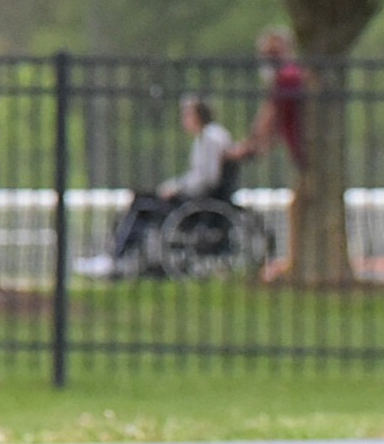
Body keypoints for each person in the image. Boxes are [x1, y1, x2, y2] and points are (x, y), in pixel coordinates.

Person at [78, 96, 233, 278]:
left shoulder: (211, 138)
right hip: (192, 195)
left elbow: (207, 178)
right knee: (141, 199)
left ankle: (115, 256)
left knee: (142, 205)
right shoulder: (207, 137)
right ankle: (118, 253)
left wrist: (178, 188)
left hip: (195, 200)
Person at [228, 27, 309, 280]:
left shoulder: (287, 77)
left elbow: (270, 117)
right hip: (300, 152)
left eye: (273, 52)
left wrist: (251, 145)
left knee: (299, 207)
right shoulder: (291, 76)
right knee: (299, 205)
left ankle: (295, 263)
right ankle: (297, 261)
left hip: (305, 154)